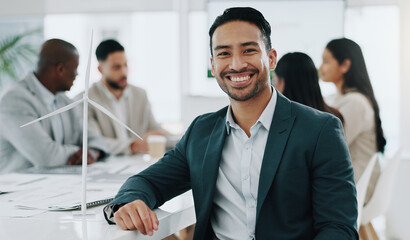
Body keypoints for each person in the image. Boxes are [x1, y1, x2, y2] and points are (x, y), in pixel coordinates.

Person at [104, 7, 358, 239]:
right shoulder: (201, 132)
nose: (236, 64)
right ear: (213, 66)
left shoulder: (320, 130)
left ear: (270, 59)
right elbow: (147, 182)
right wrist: (129, 202)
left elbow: (339, 228)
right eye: (224, 53)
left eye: (248, 50)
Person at [0, 39, 108, 173]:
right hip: (20, 188)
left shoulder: (64, 100)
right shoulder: (15, 100)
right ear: (60, 69)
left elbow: (95, 139)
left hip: (57, 184)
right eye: (75, 69)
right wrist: (81, 153)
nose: (77, 75)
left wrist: (92, 151)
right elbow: (45, 155)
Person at [319, 38, 386, 204]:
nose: (320, 68)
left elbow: (332, 146)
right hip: (355, 181)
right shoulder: (343, 99)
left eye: (326, 61)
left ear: (345, 65)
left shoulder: (354, 102)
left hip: (357, 184)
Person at [84, 39, 167, 155]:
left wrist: (185, 138)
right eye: (116, 67)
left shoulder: (140, 94)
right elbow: (95, 141)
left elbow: (156, 130)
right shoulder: (87, 100)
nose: (124, 72)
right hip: (109, 166)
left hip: (140, 163)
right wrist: (133, 146)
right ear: (100, 69)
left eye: (125, 65)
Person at [273, 52, 343, 122]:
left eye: (274, 82)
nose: (273, 88)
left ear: (282, 82)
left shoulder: (276, 121)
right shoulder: (335, 116)